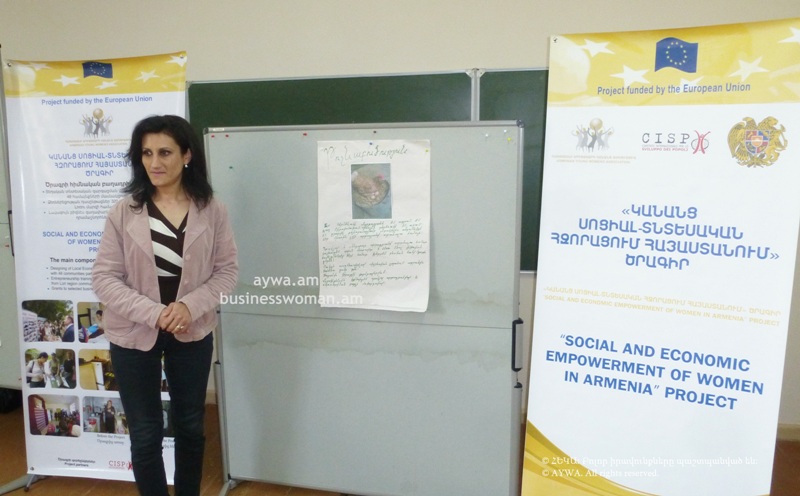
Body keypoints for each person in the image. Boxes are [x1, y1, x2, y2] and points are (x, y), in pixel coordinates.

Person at [92, 115, 238, 496]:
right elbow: (104, 278)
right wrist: (156, 313)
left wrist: (189, 306)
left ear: (187, 155)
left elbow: (226, 271)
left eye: (165, 153)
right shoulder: (124, 212)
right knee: (145, 432)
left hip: (192, 331)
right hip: (132, 333)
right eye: (146, 153)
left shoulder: (212, 209)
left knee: (190, 425)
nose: (154, 163)